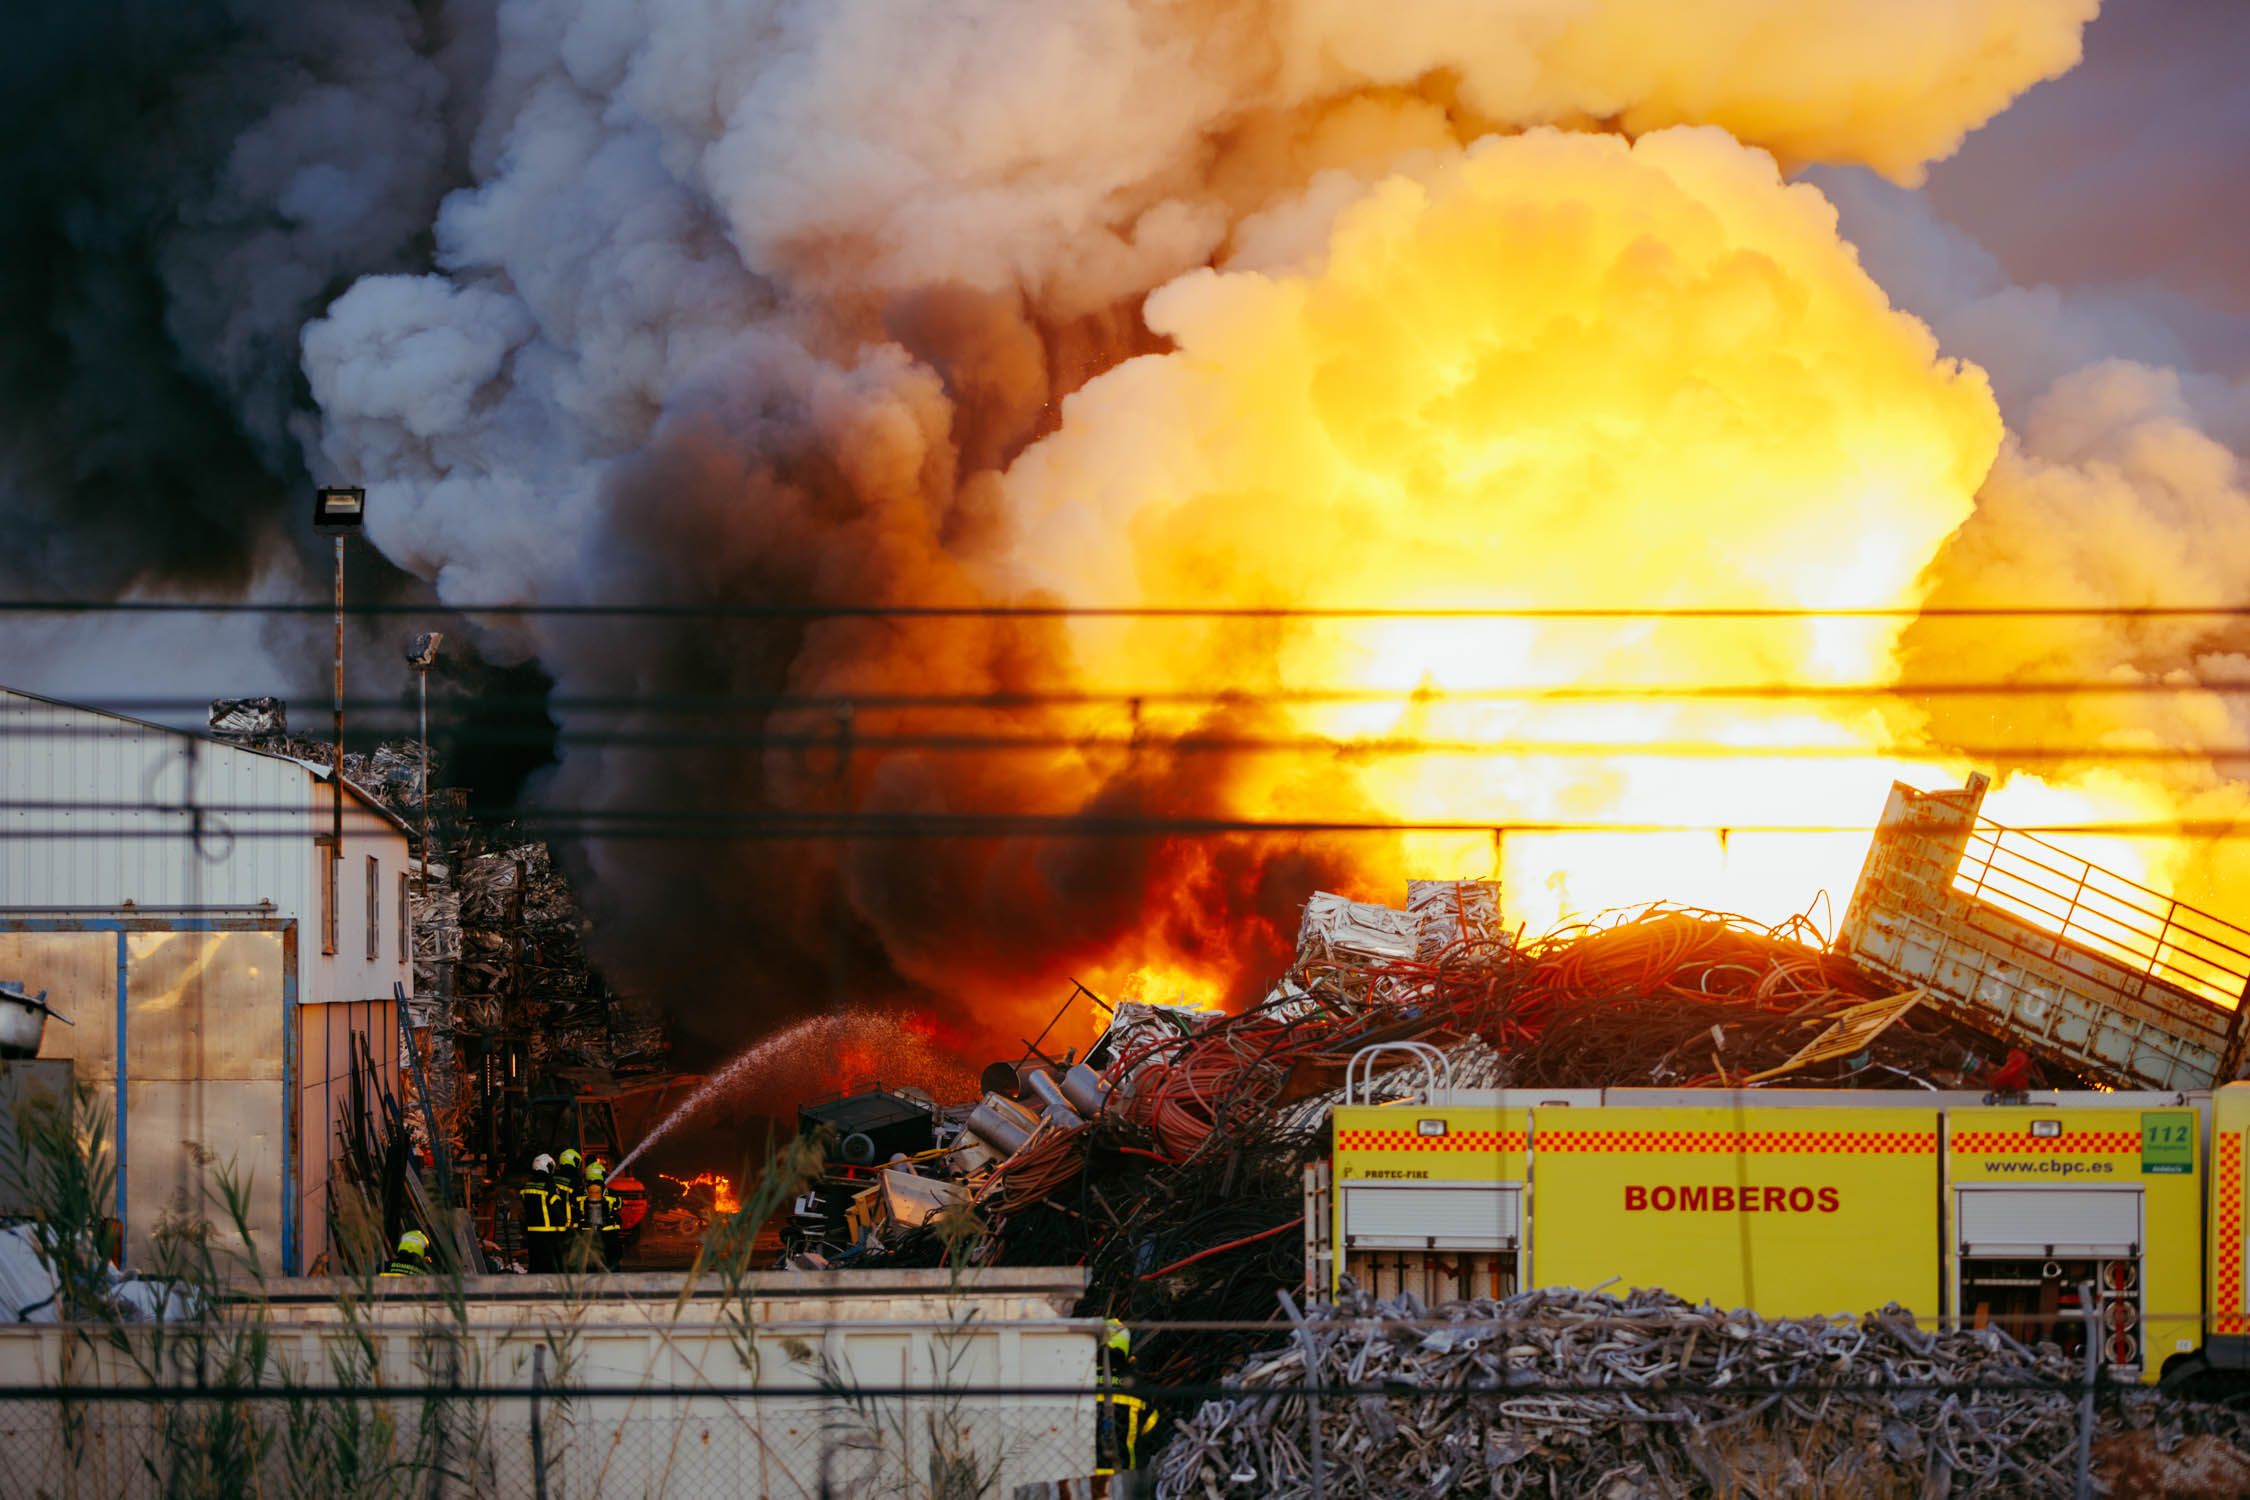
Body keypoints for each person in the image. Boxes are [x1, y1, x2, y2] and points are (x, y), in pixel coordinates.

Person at [1094, 1317, 1157, 1475]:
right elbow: (1152, 1427)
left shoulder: (1080, 1380)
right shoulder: (1137, 1385)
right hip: (1124, 1474)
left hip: (1082, 1473)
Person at [519, 1153, 568, 1274]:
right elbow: (554, 1207)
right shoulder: (549, 1184)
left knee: (535, 1263)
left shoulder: (527, 1185)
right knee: (550, 1266)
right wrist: (564, 1222)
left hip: (531, 1232)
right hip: (548, 1232)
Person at [585, 1159, 624, 1270]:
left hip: (588, 1235)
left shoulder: (579, 1192)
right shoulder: (611, 1193)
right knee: (612, 1264)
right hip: (609, 1234)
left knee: (590, 1266)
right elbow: (619, 1205)